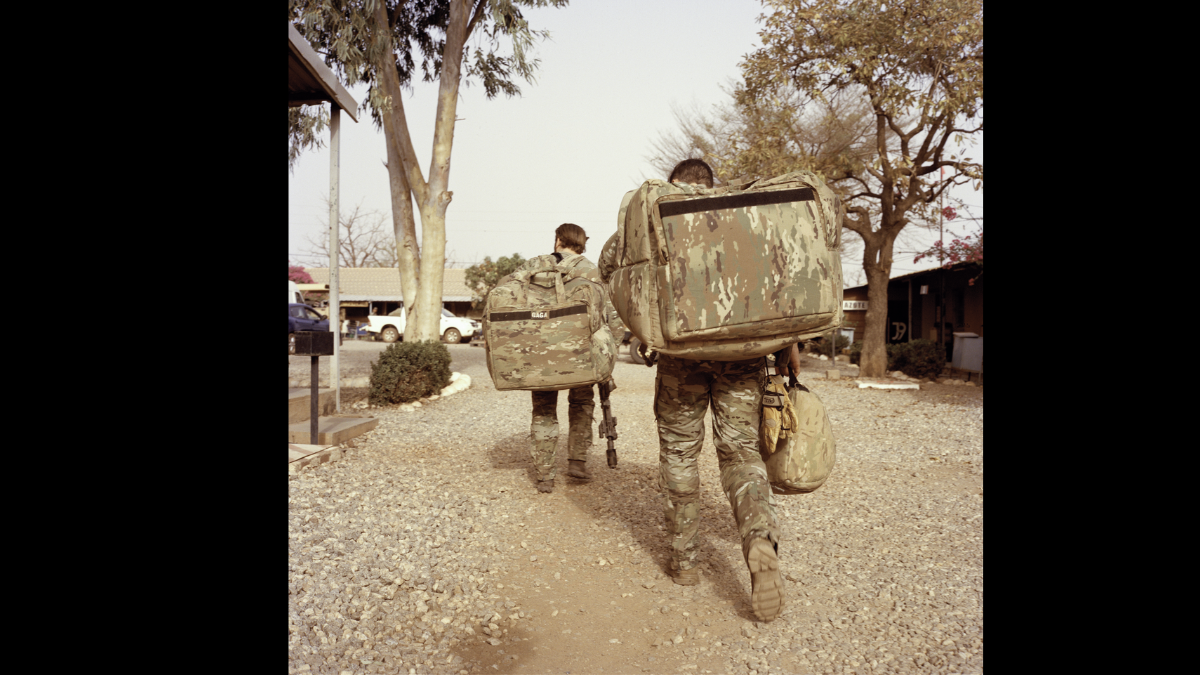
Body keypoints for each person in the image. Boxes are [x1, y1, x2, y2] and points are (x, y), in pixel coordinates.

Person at [605, 159, 801, 622]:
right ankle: (757, 539)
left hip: (679, 359)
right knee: (740, 456)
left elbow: (613, 271)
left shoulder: (657, 214)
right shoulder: (746, 217)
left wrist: (640, 330)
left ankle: (685, 562)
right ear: (710, 184)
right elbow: (784, 281)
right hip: (743, 356)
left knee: (679, 454)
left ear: (675, 182)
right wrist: (788, 343)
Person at [515, 223, 624, 494]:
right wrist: (608, 356)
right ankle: (577, 461)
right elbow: (615, 319)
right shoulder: (593, 272)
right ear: (581, 244)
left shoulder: (534, 267)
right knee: (582, 403)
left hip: (540, 354)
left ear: (558, 241)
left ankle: (544, 476)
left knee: (543, 410)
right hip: (581, 352)